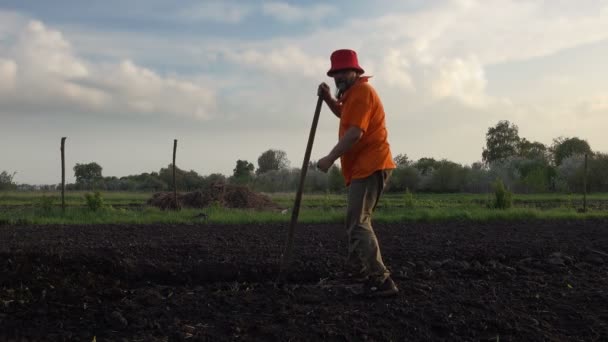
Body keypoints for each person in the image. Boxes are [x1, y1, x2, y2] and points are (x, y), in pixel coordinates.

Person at [316, 49, 398, 297]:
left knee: (358, 223)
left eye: (343, 71)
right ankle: (361, 271)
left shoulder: (362, 92)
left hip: (370, 165)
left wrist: (330, 158)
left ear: (356, 71)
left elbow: (355, 133)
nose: (339, 76)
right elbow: (345, 115)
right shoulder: (352, 95)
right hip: (362, 167)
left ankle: (381, 280)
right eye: (335, 73)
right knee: (355, 222)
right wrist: (330, 98)